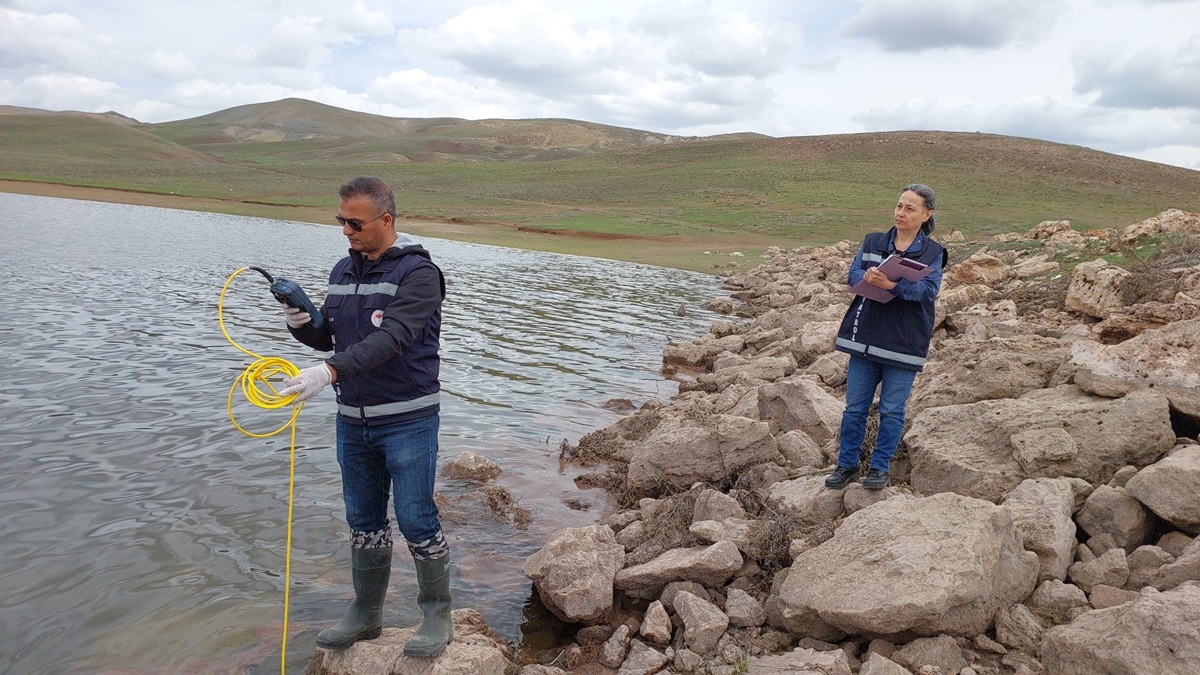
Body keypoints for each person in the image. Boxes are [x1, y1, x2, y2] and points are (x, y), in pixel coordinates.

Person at [277, 175, 453, 657]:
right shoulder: (342, 269)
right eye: (341, 221)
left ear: (386, 220)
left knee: (417, 519)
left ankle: (437, 615)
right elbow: (331, 338)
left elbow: (391, 339)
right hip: (353, 422)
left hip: (408, 419)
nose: (346, 231)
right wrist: (302, 324)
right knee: (363, 519)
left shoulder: (419, 275)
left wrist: (328, 372)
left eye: (354, 223)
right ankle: (366, 615)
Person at [826, 184, 947, 491]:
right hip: (865, 335)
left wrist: (892, 284)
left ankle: (880, 468)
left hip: (904, 342)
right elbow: (852, 274)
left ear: (926, 214)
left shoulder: (934, 253)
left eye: (909, 208)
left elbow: (928, 290)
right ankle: (847, 465)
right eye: (898, 206)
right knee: (854, 407)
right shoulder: (873, 241)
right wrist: (865, 277)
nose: (900, 212)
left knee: (892, 409)